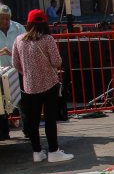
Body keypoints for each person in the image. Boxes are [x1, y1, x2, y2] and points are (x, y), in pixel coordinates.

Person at [12, 9, 73, 162]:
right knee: (50, 119)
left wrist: (28, 72)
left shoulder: (19, 40)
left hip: (29, 85)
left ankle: (37, 152)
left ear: (29, 23)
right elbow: (57, 62)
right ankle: (53, 151)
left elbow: (15, 64)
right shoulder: (48, 39)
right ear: (44, 23)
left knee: (32, 121)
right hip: (49, 84)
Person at [0, 4, 24, 140]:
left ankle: (28, 130)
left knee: (23, 101)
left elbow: (26, 45)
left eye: (6, 18)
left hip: (18, 69)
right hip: (1, 73)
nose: (4, 21)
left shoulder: (18, 28)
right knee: (2, 104)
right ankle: (3, 133)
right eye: (1, 18)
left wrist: (15, 54)